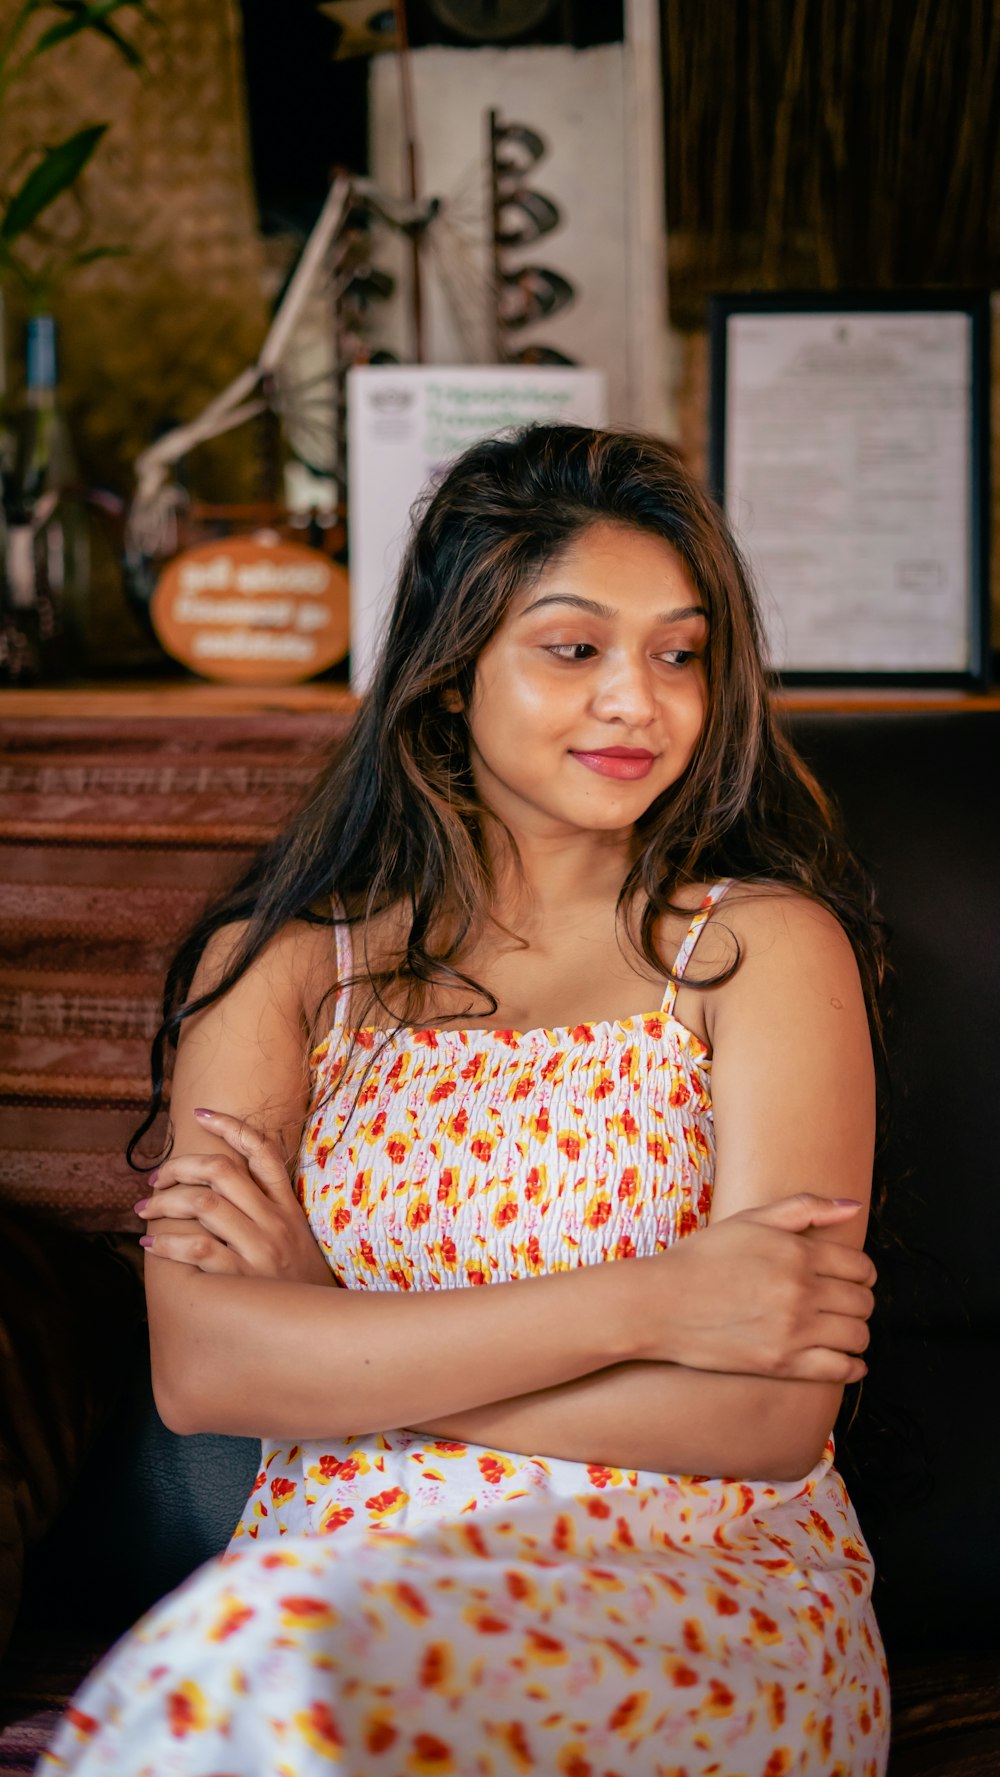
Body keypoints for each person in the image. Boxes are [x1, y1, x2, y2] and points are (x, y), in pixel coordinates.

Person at [43, 425, 889, 1776]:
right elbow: (204, 1372)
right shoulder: (279, 969)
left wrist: (337, 1341)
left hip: (695, 1587)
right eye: (574, 648)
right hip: (323, 1577)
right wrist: (659, 1303)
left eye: (679, 653)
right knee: (266, 1657)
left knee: (259, 1666)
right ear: (450, 679)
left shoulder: (759, 949)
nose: (640, 700)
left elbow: (766, 1418)